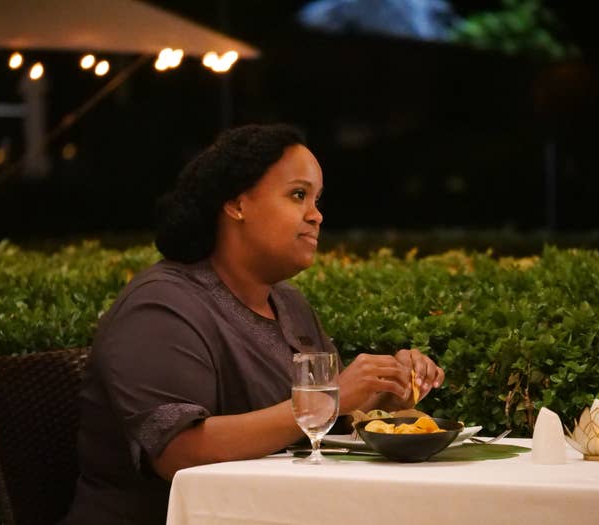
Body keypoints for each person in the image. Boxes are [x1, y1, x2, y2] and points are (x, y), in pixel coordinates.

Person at [63, 123, 445, 524]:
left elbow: (316, 423)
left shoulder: (288, 305)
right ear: (237, 204)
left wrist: (384, 393)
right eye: (298, 195)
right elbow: (178, 453)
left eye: (317, 199)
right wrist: (328, 399)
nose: (316, 215)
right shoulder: (160, 307)